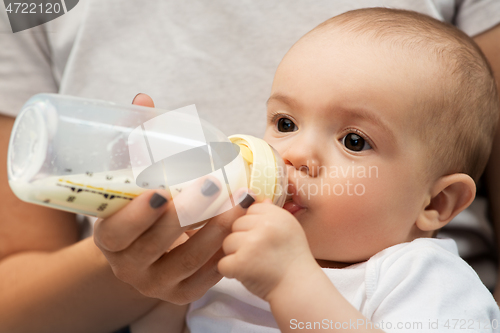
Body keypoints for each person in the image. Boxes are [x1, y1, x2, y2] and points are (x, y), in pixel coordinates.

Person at [0, 1, 499, 332]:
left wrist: (289, 283)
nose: (295, 153)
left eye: (353, 140)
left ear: (435, 203)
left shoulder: (420, 279)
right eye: (284, 123)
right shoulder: (228, 265)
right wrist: (166, 236)